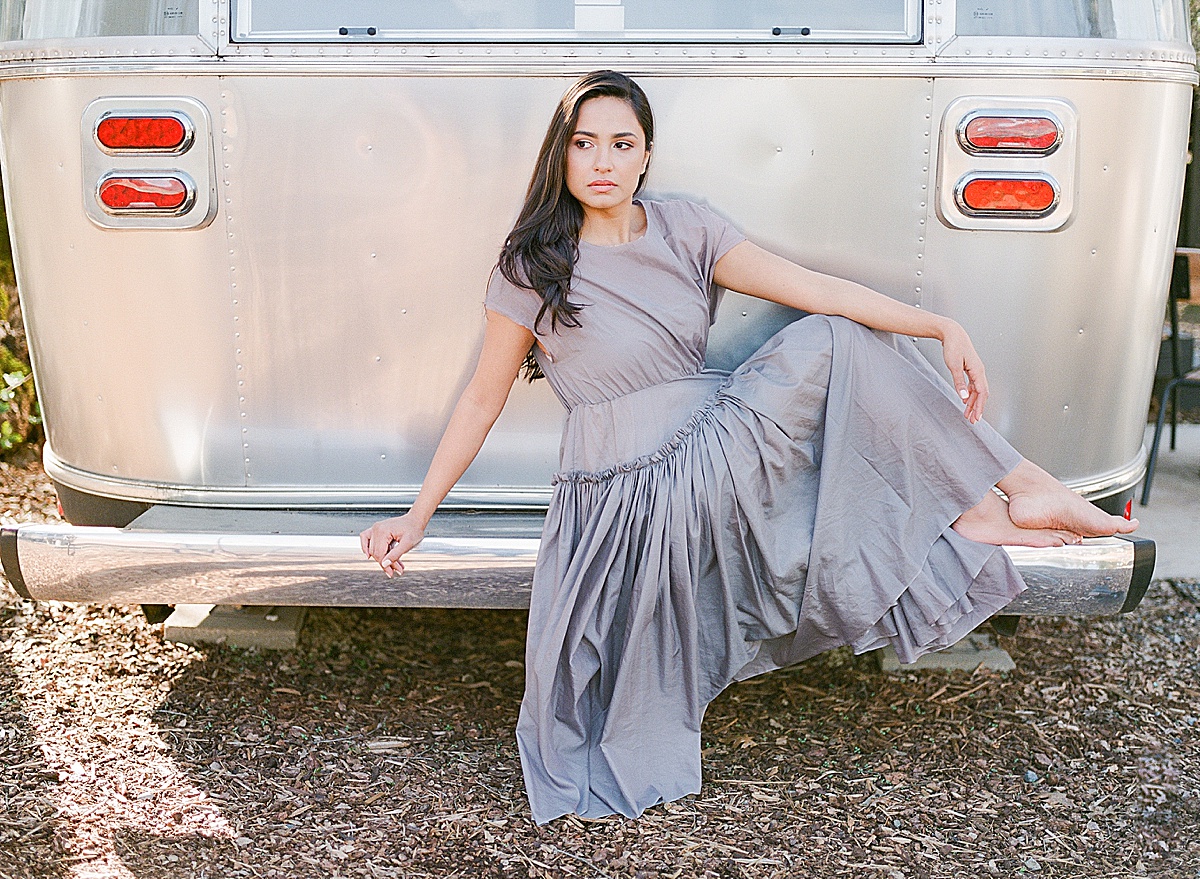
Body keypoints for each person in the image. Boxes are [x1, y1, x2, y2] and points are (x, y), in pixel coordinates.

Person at [360, 70, 1137, 824]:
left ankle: (1005, 490)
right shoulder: (532, 265)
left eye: (622, 144)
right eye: (585, 143)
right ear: (560, 154)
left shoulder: (687, 226)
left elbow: (815, 287)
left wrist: (939, 325)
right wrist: (418, 513)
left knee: (841, 336)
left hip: (713, 446)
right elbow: (481, 398)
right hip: (625, 496)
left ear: (647, 155)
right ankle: (996, 497)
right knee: (835, 347)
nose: (603, 162)